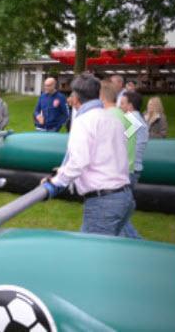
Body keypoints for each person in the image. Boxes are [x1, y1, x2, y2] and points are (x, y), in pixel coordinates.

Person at [42, 73, 135, 237]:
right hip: (124, 197)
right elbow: (102, 156)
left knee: (92, 253)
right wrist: (63, 171)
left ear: (77, 97)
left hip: (104, 202)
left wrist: (55, 182)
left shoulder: (84, 121)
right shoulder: (113, 119)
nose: (70, 99)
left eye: (71, 94)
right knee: (120, 249)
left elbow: (78, 162)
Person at [102, 81, 137, 175]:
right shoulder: (128, 118)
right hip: (127, 169)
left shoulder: (109, 117)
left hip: (115, 172)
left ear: (101, 97)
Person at [121, 91, 148, 190]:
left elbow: (122, 138)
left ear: (130, 105)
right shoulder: (137, 118)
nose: (120, 106)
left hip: (129, 169)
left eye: (122, 103)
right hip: (132, 168)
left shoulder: (133, 119)